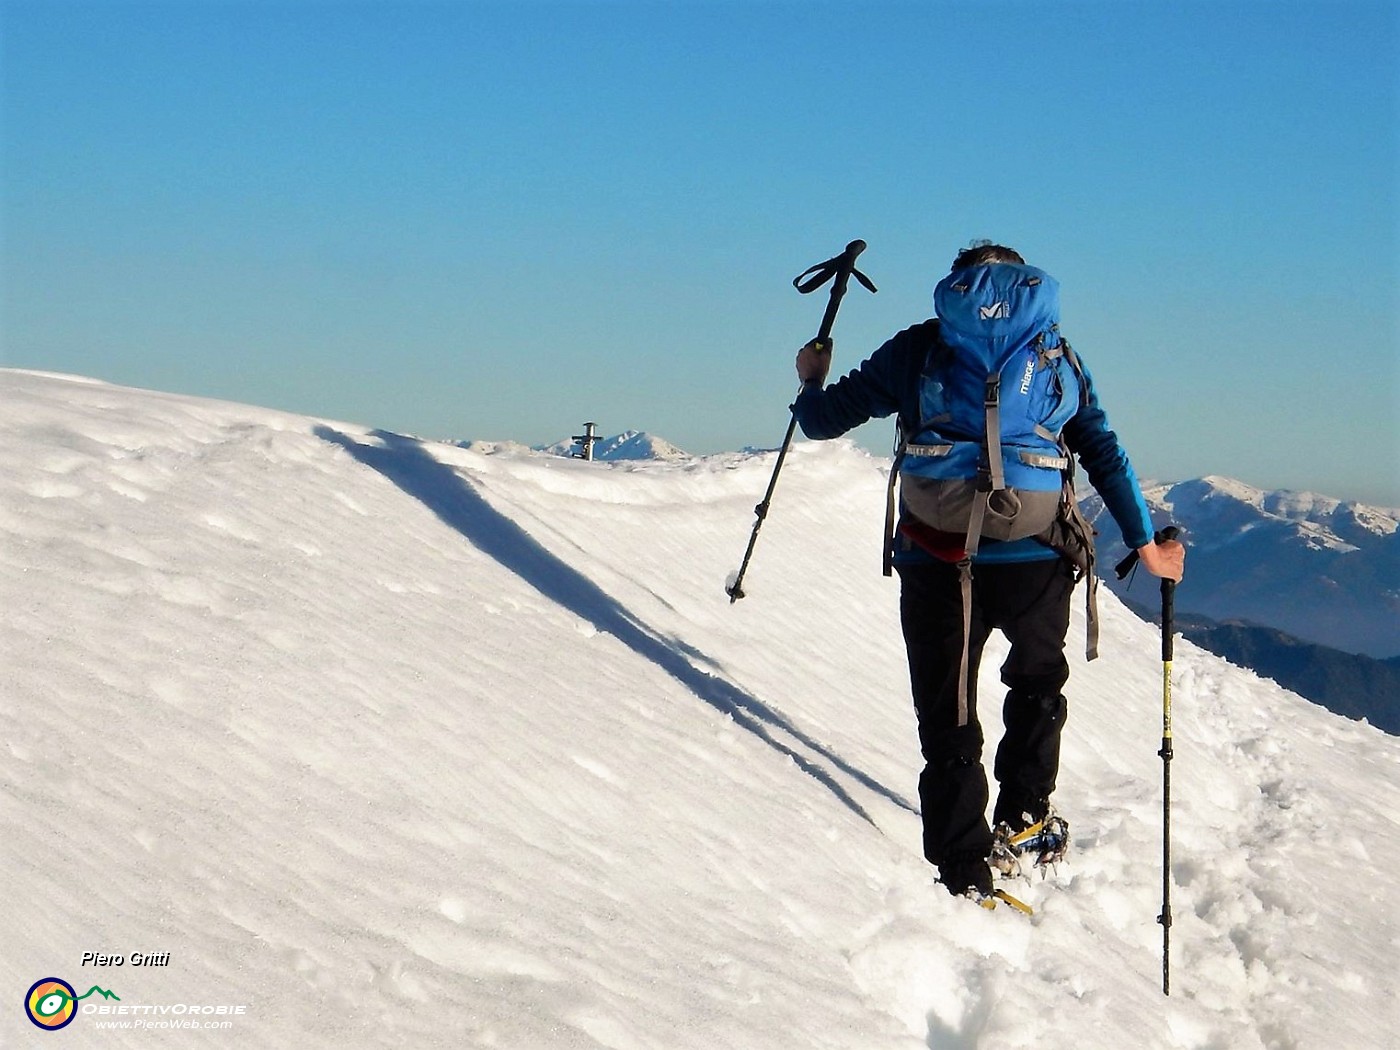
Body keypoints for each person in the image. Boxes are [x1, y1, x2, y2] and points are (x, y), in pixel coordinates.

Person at [791, 242, 1184, 901]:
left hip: (935, 556)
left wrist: (809, 377)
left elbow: (823, 422)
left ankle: (963, 869)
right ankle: (1024, 821)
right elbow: (1104, 454)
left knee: (947, 714)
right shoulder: (1056, 353)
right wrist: (1147, 547)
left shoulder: (918, 348)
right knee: (1036, 685)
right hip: (1035, 555)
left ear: (956, 287)